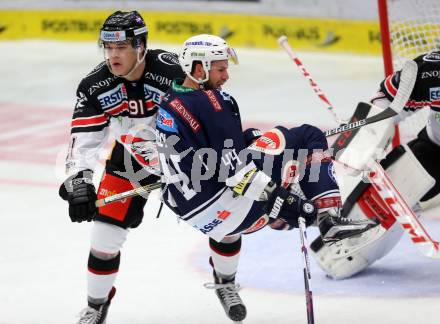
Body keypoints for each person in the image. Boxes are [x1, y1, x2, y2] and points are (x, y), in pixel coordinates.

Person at [155, 34, 362, 321]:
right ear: (199, 69)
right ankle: (327, 216)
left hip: (198, 217)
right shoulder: (214, 101)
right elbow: (233, 169)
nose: (226, 76)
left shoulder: (168, 100)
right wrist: (276, 197)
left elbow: (209, 155)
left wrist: (247, 146)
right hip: (233, 209)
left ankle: (283, 214)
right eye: (220, 69)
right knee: (306, 136)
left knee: (261, 141)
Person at [58, 11, 184, 324]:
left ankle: (225, 281)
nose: (113, 55)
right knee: (103, 236)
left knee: (225, 220)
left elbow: (210, 116)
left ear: (141, 46)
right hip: (132, 160)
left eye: (122, 47)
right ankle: (97, 303)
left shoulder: (175, 74)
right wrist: (79, 182)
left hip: (188, 160)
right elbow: (84, 143)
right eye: (108, 48)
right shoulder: (95, 86)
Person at [309, 51, 440, 279]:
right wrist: (368, 137)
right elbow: (385, 100)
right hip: (435, 151)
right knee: (337, 258)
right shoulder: (432, 72)